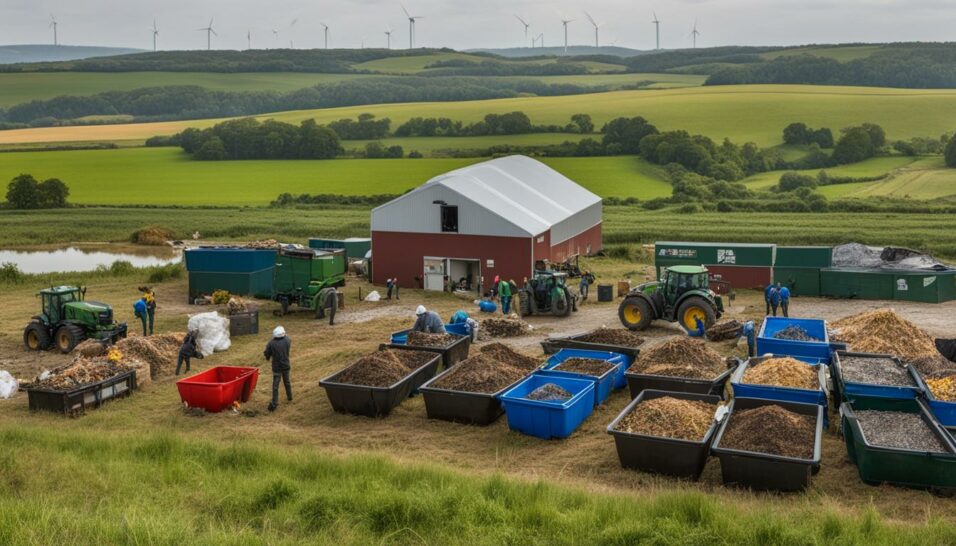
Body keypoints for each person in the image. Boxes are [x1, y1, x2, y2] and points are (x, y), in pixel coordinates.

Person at [263, 326, 292, 412]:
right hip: (286, 365)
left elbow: (267, 353)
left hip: (277, 367)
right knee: (287, 382)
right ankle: (289, 397)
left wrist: (267, 357)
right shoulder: (288, 340)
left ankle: (274, 402)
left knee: (275, 385)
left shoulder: (271, 343)